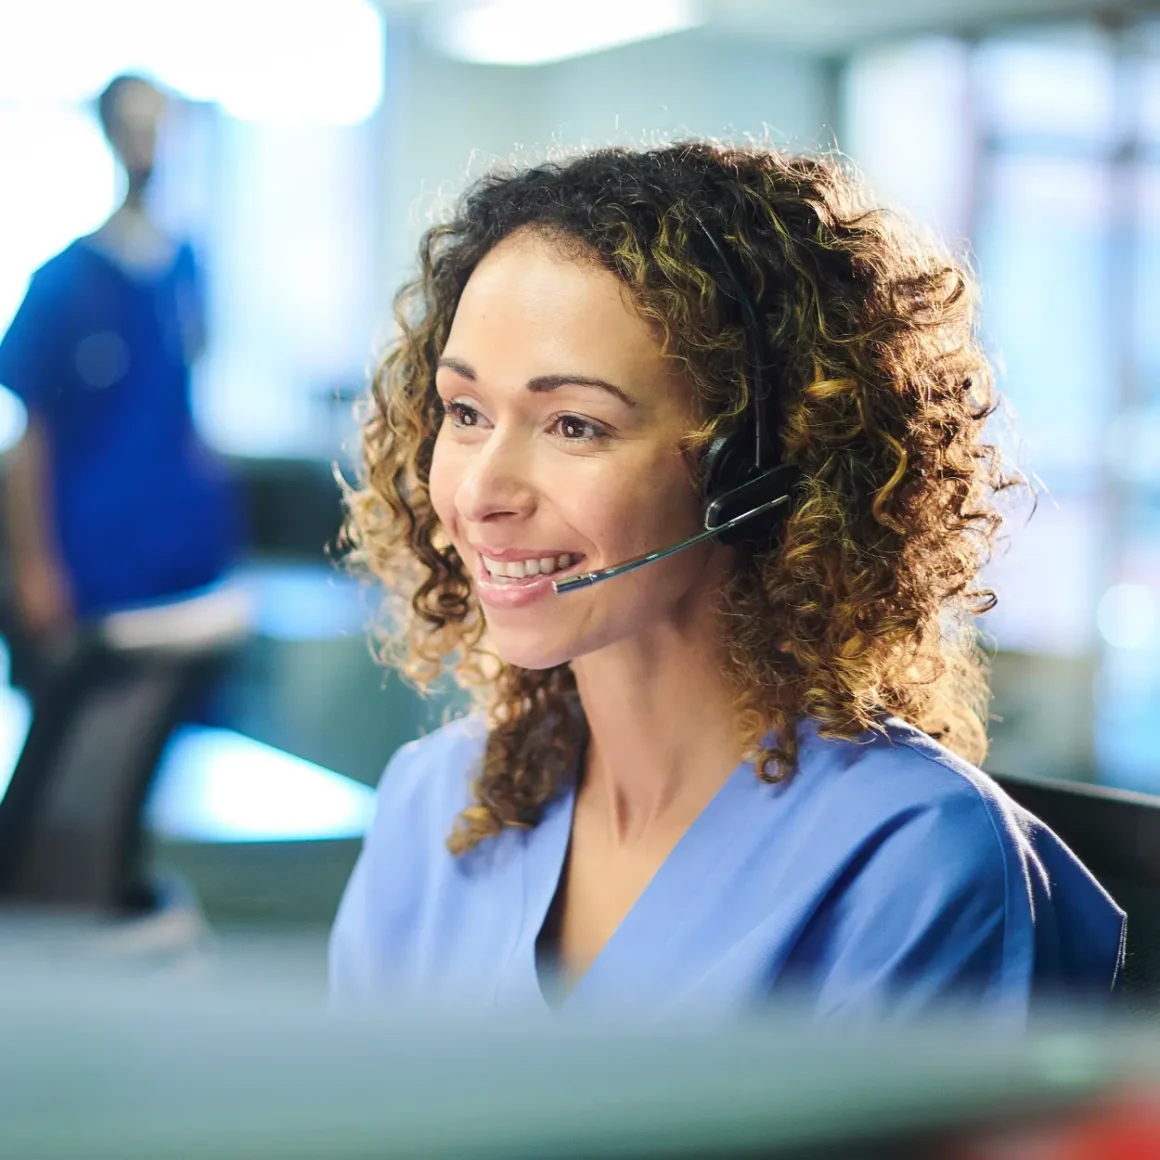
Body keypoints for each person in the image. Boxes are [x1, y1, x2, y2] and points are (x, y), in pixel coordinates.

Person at [329, 143, 1124, 1022]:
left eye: (575, 425)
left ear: (760, 469)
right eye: (466, 413)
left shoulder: (916, 862)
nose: (479, 494)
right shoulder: (431, 800)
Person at [0, 74, 239, 683]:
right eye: (135, 129)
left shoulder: (185, 267)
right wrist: (34, 566)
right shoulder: (62, 284)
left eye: (160, 128)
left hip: (182, 549)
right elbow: (31, 438)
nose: (149, 145)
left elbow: (185, 404)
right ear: (109, 135)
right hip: (94, 558)